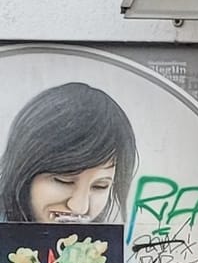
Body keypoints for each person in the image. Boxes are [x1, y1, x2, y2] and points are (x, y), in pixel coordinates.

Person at [0, 83, 137, 225]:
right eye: (64, 181)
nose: (80, 208)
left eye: (100, 186)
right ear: (23, 174)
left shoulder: (101, 243)